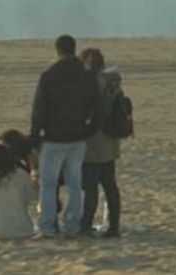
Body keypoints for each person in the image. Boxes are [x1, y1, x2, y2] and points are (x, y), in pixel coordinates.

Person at [30, 35, 101, 238]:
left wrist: (36, 135)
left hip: (53, 137)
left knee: (48, 184)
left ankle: (48, 226)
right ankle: (72, 225)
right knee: (75, 184)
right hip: (78, 137)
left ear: (57, 51)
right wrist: (89, 129)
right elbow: (97, 108)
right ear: (74, 49)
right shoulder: (86, 76)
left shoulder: (49, 76)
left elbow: (39, 110)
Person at [79, 48, 122, 238]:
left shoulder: (90, 84)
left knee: (90, 188)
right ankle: (114, 225)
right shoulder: (114, 83)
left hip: (92, 142)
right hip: (110, 141)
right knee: (110, 186)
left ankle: (86, 224)